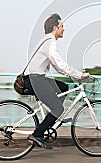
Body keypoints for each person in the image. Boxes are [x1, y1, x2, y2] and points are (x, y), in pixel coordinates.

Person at [25, 13, 90, 149]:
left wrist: (73, 74)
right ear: (55, 28)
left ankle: (55, 117)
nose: (63, 29)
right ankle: (37, 134)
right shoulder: (50, 43)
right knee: (58, 108)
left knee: (64, 88)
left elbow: (58, 67)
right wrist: (79, 75)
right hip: (35, 80)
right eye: (62, 26)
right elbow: (60, 65)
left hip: (36, 78)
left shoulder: (47, 40)